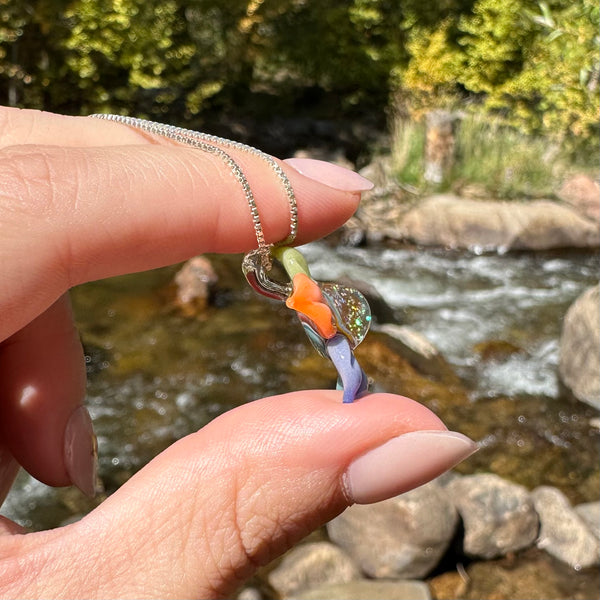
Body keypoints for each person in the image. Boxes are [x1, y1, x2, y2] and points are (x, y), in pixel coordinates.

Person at [0, 106, 477, 598]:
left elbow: (291, 287)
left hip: (329, 328)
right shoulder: (299, 285)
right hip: (322, 322)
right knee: (348, 375)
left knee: (349, 374)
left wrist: (298, 289)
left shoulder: (307, 285)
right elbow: (277, 284)